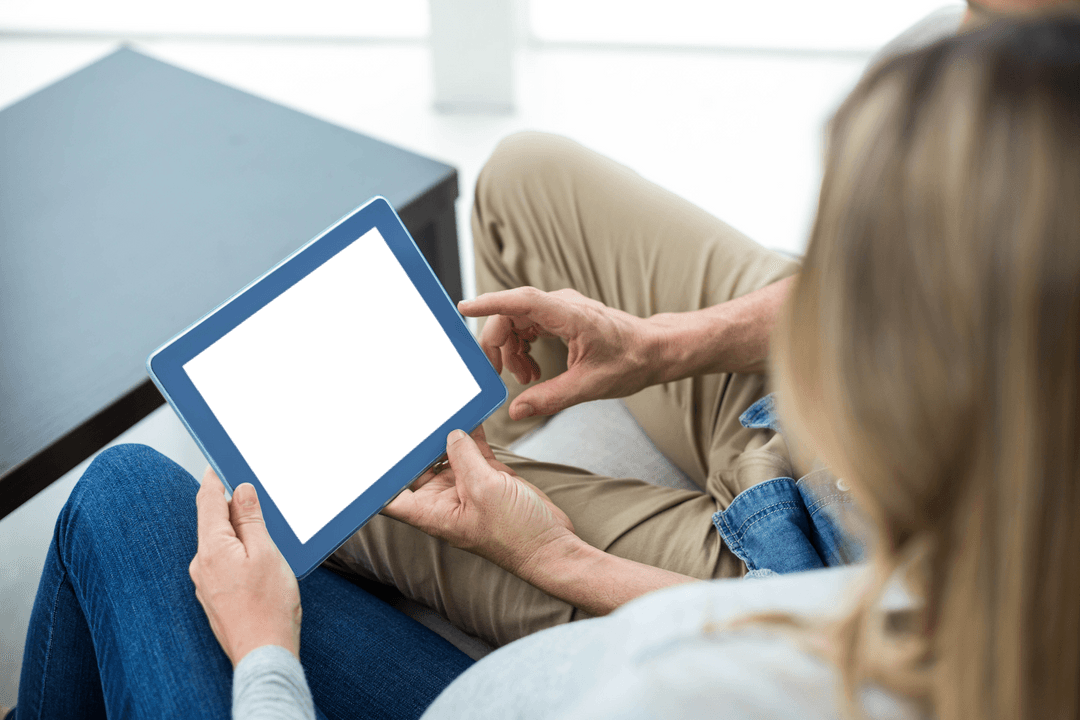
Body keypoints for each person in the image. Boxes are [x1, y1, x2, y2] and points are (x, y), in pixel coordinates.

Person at [7, 9, 1079, 720]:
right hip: (809, 524)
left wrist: (263, 657)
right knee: (523, 179)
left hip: (765, 565)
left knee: (160, 492)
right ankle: (496, 431)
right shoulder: (988, 601)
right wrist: (652, 359)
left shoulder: (730, 675)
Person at [325, 0, 1078, 649]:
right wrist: (657, 345)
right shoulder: (994, 86)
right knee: (523, 176)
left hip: (798, 569)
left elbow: (872, 656)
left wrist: (555, 557)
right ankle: (505, 449)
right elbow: (880, 291)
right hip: (809, 405)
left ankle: (495, 502)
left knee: (339, 476)